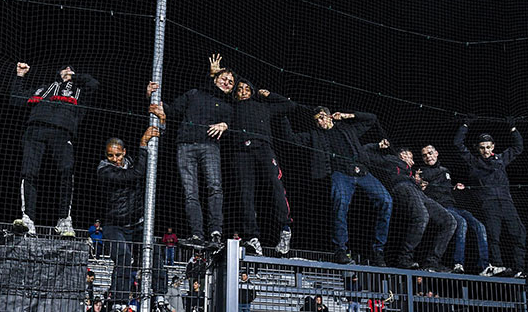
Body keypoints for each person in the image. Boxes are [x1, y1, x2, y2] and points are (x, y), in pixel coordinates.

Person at [279, 107, 392, 265]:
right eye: (317, 119)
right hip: (340, 174)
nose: (320, 121)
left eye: (322, 117)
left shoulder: (348, 129)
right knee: (340, 203)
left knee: (386, 200)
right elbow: (291, 138)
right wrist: (283, 112)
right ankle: (340, 249)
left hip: (362, 172)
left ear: (330, 116)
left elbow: (371, 118)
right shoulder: (315, 135)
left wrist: (348, 115)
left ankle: (378, 250)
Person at [147, 58, 235, 250]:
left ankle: (215, 234)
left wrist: (225, 125)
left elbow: (235, 127)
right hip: (185, 146)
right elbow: (172, 110)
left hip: (210, 147)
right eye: (224, 78)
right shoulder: (194, 94)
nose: (227, 82)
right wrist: (153, 97)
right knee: (190, 193)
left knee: (214, 187)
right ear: (214, 80)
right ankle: (196, 234)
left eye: (231, 82)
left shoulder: (228, 107)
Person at [215, 55, 295, 255]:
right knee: (245, 193)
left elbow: (289, 105)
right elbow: (214, 94)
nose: (243, 91)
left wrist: (268, 95)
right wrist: (215, 73)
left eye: (246, 89)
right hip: (241, 151)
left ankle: (285, 229)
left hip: (263, 148)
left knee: (276, 185)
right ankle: (252, 238)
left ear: (251, 91)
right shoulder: (230, 107)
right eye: (239, 89)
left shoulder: (263, 106)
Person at [11, 62, 99, 236]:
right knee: (29, 172)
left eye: (71, 69)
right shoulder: (45, 89)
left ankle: (64, 220)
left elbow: (93, 83)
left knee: (67, 172)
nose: (68, 70)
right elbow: (16, 99)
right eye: (64, 69)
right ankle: (27, 219)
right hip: (35, 130)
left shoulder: (80, 91)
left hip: (63, 133)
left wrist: (73, 77)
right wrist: (20, 76)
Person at [97, 126, 160, 303]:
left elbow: (144, 168)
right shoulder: (104, 170)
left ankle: (160, 296)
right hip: (114, 225)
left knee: (154, 253)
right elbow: (136, 174)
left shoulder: (132, 162)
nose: (115, 159)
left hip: (137, 223)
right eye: (111, 155)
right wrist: (143, 144)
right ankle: (119, 299)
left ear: (124, 152)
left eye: (118, 155)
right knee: (123, 256)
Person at [454, 121, 526, 275]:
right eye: (482, 147)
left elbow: (518, 148)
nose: (485, 150)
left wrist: (513, 129)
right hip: (488, 203)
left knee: (519, 233)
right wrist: (465, 125)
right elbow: (458, 144)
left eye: (488, 147)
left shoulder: (500, 159)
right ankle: (496, 265)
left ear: (493, 146)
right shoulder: (474, 161)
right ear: (477, 148)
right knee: (493, 235)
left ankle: (519, 269)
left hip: (506, 202)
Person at [420, 144, 503, 275]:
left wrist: (454, 187)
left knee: (479, 226)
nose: (428, 157)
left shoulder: (445, 171)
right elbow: (425, 189)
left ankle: (485, 266)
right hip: (439, 207)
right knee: (461, 223)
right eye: (424, 155)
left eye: (430, 153)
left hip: (452, 206)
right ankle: (458, 264)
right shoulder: (422, 172)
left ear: (436, 153)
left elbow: (443, 187)